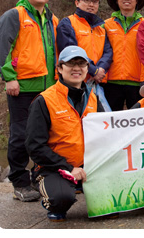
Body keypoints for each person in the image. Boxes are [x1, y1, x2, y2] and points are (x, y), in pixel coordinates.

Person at [0, 0, 58, 202]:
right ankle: (19, 183)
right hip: (21, 87)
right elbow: (0, 47)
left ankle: (37, 176)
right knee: (20, 135)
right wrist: (9, 77)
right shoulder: (15, 15)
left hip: (48, 87)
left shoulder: (51, 19)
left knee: (43, 135)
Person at [25, 45, 103, 221]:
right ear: (60, 68)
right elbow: (34, 146)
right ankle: (54, 197)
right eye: (70, 64)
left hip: (88, 166)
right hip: (54, 167)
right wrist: (68, 168)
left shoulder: (93, 97)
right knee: (60, 199)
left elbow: (107, 132)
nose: (77, 68)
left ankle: (81, 186)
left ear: (87, 68)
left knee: (113, 202)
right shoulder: (44, 100)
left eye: (81, 64)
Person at [103, 0, 144, 111]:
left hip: (138, 82)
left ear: (137, 0)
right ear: (116, 0)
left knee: (138, 122)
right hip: (111, 82)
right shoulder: (106, 25)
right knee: (111, 122)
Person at [56, 0, 112, 87]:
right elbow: (71, 52)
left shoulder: (101, 28)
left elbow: (108, 52)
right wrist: (94, 71)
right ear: (77, 3)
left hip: (98, 82)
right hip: (75, 80)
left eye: (94, 1)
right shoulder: (67, 23)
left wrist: (100, 70)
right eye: (86, 0)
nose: (91, 4)